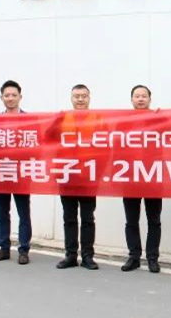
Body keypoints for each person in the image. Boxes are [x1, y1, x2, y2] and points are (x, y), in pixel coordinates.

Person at [57, 84, 101, 271]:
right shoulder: (61, 119)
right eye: (77, 96)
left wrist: (99, 171)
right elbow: (48, 139)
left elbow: (107, 145)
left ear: (89, 98)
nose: (80, 99)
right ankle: (71, 255)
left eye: (84, 96)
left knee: (88, 218)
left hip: (88, 176)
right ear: (71, 98)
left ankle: (88, 256)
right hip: (66, 175)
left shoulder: (98, 119)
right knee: (69, 218)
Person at [0, 80, 32, 265]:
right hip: (2, 171)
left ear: (20, 97)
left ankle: (24, 250)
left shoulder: (30, 120)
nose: (10, 98)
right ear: (1, 98)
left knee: (23, 213)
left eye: (14, 95)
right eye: (7, 95)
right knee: (2, 212)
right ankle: (3, 248)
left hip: (22, 173)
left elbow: (37, 146)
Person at [121, 85, 163, 274]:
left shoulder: (158, 119)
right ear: (132, 100)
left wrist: (163, 117)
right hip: (130, 176)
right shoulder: (123, 121)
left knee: (154, 220)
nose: (140, 99)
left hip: (152, 175)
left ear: (149, 99)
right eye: (137, 96)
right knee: (131, 220)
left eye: (144, 96)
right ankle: (134, 257)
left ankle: (152, 258)